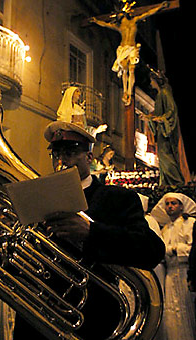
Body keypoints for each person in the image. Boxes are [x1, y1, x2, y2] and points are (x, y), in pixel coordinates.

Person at [13, 120, 165, 340]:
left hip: (91, 318)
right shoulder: (38, 195)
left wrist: (92, 231)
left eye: (71, 153)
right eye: (57, 154)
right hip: (36, 316)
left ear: (89, 157)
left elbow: (152, 251)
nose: (63, 161)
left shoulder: (117, 198)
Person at [88, 0, 169, 106]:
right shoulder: (120, 26)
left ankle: (129, 92)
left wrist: (160, 7)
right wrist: (95, 21)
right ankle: (125, 91)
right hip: (123, 48)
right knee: (125, 70)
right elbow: (106, 25)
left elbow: (148, 12)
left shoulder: (135, 20)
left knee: (131, 70)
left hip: (132, 48)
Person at [151, 192, 196, 340]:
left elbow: (193, 249)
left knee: (187, 309)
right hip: (170, 275)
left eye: (174, 203)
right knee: (172, 312)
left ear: (181, 206)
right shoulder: (164, 229)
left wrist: (175, 249)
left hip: (185, 273)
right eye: (168, 204)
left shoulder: (190, 224)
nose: (170, 207)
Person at [141, 67, 190, 186]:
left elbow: (171, 110)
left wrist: (161, 119)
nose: (150, 83)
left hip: (166, 132)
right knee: (162, 160)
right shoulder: (159, 96)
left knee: (167, 158)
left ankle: (176, 182)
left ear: (157, 81)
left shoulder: (165, 93)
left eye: (152, 80)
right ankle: (167, 183)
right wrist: (149, 118)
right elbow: (157, 115)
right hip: (161, 132)